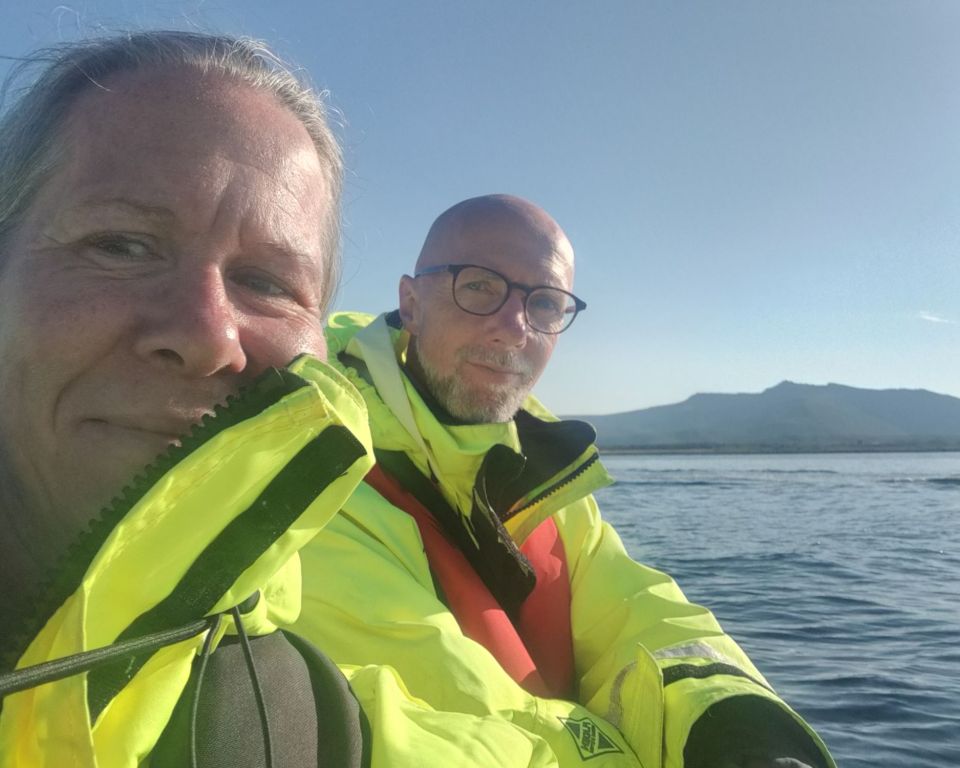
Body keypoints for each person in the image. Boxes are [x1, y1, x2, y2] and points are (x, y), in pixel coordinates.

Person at [0, 36, 565, 768]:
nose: (208, 337)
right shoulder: (338, 495)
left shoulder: (299, 717)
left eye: (266, 282)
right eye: (121, 244)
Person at [296, 194, 837, 767]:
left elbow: (634, 614)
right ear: (411, 304)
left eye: (546, 303)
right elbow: (429, 720)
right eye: (478, 286)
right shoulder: (312, 462)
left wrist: (739, 735)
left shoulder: (541, 474)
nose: (514, 329)